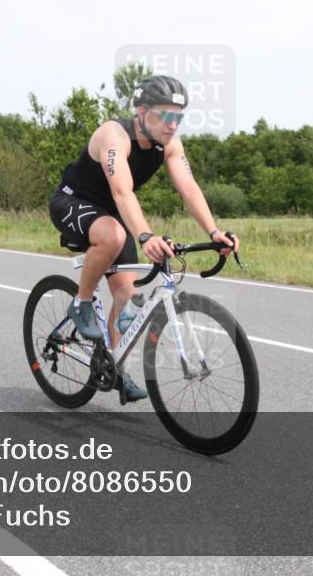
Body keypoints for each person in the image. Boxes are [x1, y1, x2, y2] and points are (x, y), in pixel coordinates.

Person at [48, 75, 240, 401]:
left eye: (177, 116)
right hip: (73, 202)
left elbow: (189, 190)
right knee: (113, 234)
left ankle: (110, 366)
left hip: (113, 214)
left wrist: (214, 232)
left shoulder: (170, 144)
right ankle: (81, 302)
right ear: (141, 111)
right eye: (163, 115)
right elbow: (122, 192)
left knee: (125, 296)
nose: (171, 124)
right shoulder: (115, 135)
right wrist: (146, 236)